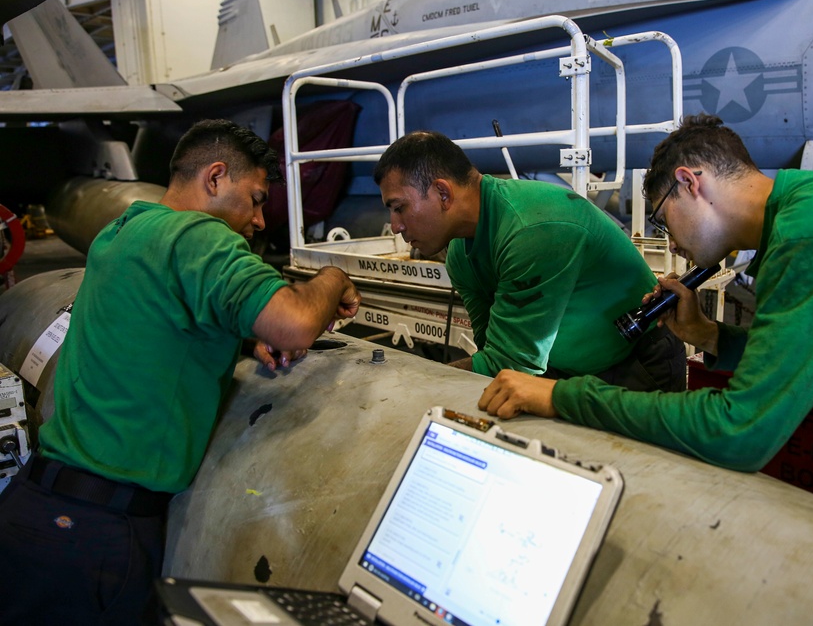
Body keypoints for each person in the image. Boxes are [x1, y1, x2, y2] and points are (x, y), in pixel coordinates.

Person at [478, 113, 813, 571]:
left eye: (663, 219)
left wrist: (557, 396)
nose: (672, 243)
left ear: (690, 183)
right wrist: (711, 337)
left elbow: (739, 432)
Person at [0, 119, 361, 625]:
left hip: (36, 508)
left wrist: (239, 333)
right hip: (99, 534)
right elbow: (297, 323)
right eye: (256, 199)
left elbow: (154, 315)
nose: (259, 220)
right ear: (215, 177)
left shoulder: (124, 231)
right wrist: (333, 276)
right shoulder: (198, 236)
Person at [373, 130, 686, 391]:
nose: (396, 225)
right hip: (563, 373)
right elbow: (493, 351)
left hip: (636, 363)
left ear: (443, 193)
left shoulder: (532, 229)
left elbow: (508, 363)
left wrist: (418, 388)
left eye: (399, 207)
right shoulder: (460, 256)